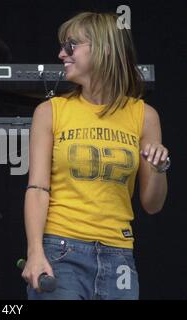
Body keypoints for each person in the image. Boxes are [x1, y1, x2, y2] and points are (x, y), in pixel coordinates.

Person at [22, 12, 169, 300]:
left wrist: (160, 168)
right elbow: (38, 189)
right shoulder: (51, 111)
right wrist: (35, 253)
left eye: (71, 45)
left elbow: (152, 205)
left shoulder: (145, 116)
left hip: (120, 258)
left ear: (104, 49)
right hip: (61, 251)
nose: (61, 53)